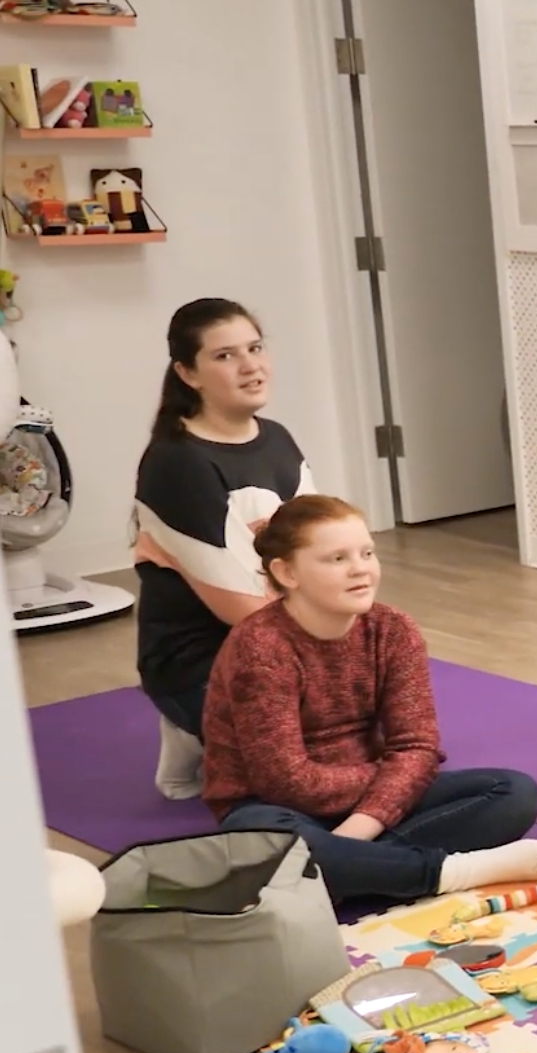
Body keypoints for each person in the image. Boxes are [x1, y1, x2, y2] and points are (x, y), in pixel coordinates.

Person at [200, 495, 537, 905]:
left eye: (367, 553)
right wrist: (388, 781)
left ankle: (346, 871)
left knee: (512, 792)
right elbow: (286, 781)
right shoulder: (261, 646)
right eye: (336, 559)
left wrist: (363, 824)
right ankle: (445, 872)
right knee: (266, 840)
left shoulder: (393, 630)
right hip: (271, 806)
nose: (360, 569)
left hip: (368, 804)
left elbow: (417, 746)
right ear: (286, 572)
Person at [133, 299, 317, 801]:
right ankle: (191, 723)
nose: (250, 366)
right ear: (187, 373)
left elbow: (324, 548)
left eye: (255, 348)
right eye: (225, 356)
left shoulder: (278, 440)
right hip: (203, 660)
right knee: (314, 768)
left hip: (284, 637)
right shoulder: (178, 463)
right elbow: (239, 608)